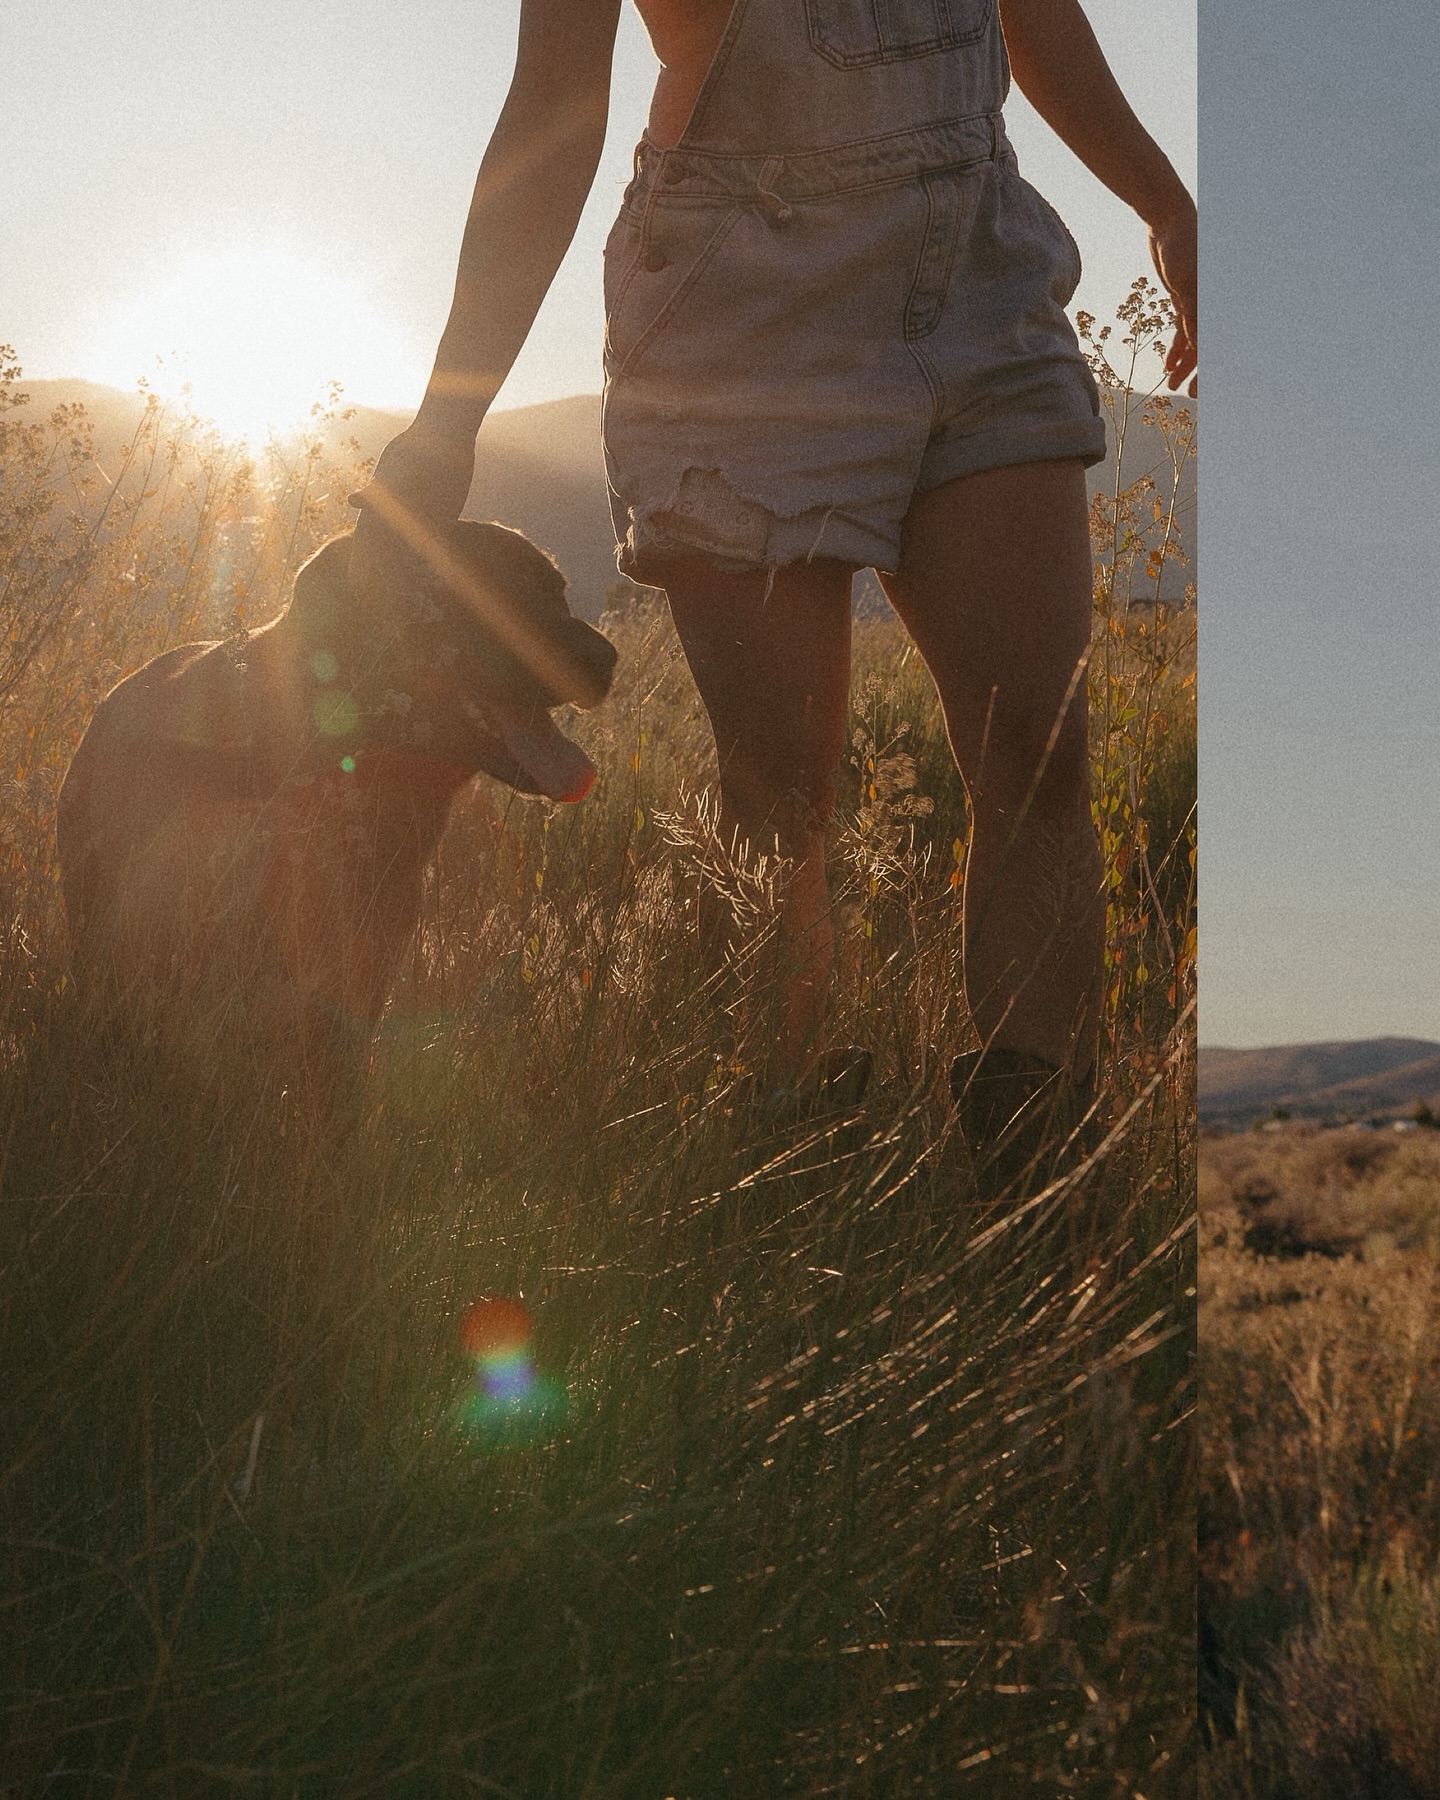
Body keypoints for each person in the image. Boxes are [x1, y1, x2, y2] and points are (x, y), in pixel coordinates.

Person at [349, 0, 1197, 1153]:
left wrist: (1164, 204)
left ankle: (1034, 1176)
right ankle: (783, 1149)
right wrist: (450, 419)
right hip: (738, 299)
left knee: (1039, 758)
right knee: (780, 795)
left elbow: (1032, 15)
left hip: (977, 271)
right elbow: (555, 107)